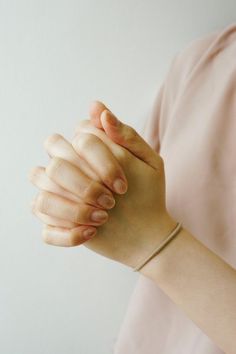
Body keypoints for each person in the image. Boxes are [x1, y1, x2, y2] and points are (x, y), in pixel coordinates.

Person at [29, 22, 236, 353]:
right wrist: (87, 192)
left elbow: (149, 232)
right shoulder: (201, 63)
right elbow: (134, 208)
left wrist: (154, 243)